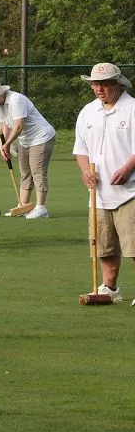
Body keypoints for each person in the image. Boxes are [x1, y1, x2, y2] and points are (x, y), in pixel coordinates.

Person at [72, 63, 135, 303]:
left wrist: (128, 169)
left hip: (130, 191)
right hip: (98, 194)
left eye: (104, 84)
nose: (99, 88)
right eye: (95, 84)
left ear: (118, 83)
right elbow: (81, 149)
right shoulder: (88, 112)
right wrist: (86, 171)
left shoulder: (132, 109)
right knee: (104, 246)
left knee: (134, 245)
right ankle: (110, 288)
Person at [0, 80, 56, 219]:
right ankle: (23, 206)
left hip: (41, 136)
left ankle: (41, 208)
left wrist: (8, 144)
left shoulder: (16, 100)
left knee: (37, 171)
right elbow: (3, 127)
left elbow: (18, 127)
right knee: (25, 173)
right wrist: (3, 145)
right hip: (25, 139)